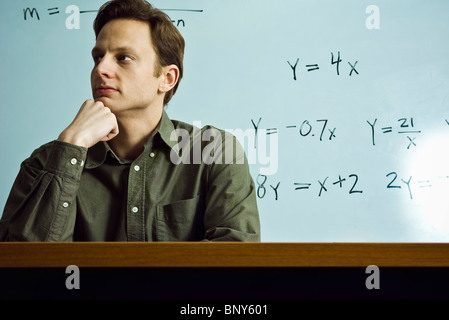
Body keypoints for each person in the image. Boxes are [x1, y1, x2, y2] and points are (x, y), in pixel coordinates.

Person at [0, 0, 260, 241]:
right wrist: (71, 146)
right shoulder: (45, 164)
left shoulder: (214, 153)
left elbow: (234, 265)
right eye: (98, 57)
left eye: (123, 57)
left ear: (167, 78)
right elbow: (25, 269)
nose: (101, 69)